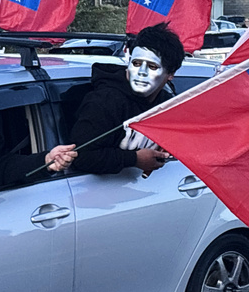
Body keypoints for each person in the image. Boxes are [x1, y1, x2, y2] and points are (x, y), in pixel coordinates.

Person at [69, 22, 184, 177]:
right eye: (136, 63)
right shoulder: (104, 101)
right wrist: (134, 159)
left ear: (170, 73)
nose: (141, 72)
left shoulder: (167, 106)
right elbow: (79, 156)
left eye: (152, 66)